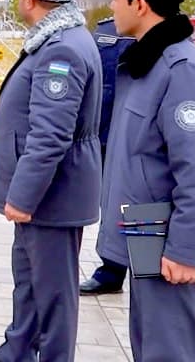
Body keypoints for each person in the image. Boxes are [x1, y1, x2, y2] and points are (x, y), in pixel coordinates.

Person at [96, 0, 195, 361]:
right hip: (148, 231)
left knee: (169, 352)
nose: (111, 6)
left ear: (139, 4)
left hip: (170, 241)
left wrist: (186, 249)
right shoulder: (147, 63)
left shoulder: (182, 71)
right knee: (150, 348)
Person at [0, 0, 102, 362]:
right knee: (28, 282)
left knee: (54, 294)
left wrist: (22, 196)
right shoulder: (59, 39)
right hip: (47, 196)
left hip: (51, 198)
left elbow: (50, 135)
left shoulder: (61, 51)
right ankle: (17, 351)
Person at [79, 17, 135, 296]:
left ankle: (140, 268)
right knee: (109, 202)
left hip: (136, 136)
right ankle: (112, 269)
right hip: (101, 132)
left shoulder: (165, 37)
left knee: (132, 201)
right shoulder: (104, 30)